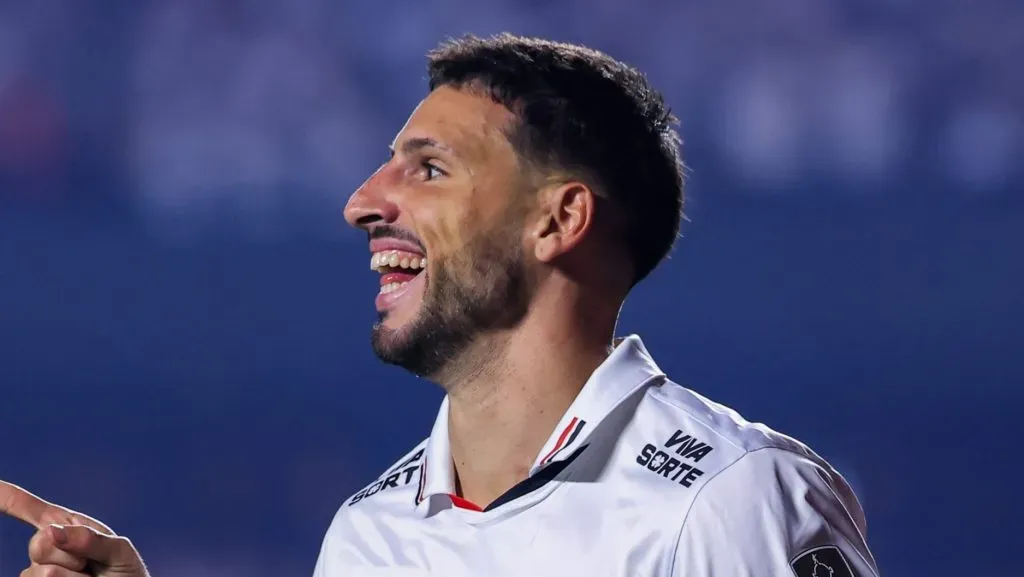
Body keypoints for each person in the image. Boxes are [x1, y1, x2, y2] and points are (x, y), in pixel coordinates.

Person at [1, 33, 881, 577]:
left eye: (428, 168)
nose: (362, 201)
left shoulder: (731, 499)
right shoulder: (369, 534)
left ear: (558, 220)